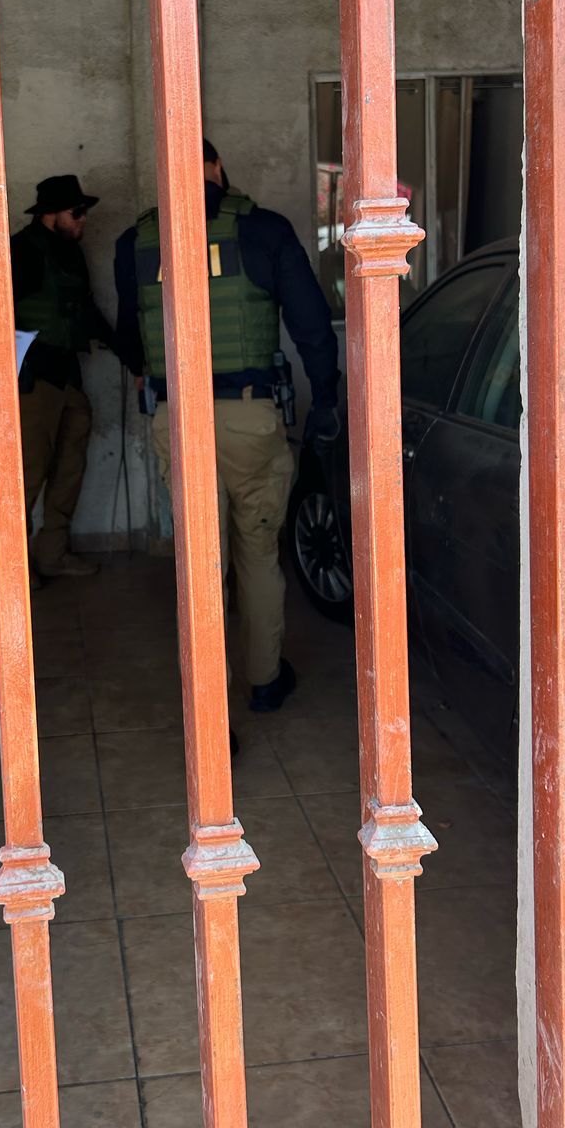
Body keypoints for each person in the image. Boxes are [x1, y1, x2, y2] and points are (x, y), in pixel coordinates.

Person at [114, 138, 340, 712]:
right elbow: (313, 326)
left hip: (176, 417)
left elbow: (130, 341)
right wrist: (325, 400)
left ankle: (210, 714)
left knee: (200, 564)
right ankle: (264, 681)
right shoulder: (264, 230)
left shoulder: (136, 242)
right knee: (258, 552)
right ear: (216, 167)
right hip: (249, 416)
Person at [11, 174, 118, 582]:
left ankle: (52, 554)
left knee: (69, 469)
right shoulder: (21, 250)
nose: (84, 219)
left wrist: (132, 356)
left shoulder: (71, 252)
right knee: (27, 474)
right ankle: (15, 571)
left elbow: (86, 310)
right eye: (77, 212)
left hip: (69, 376)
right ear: (50, 214)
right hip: (34, 381)